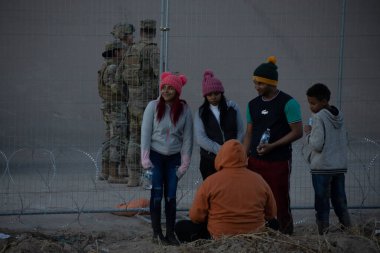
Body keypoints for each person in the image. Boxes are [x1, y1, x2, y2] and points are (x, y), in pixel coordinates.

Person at [243, 56, 303, 235]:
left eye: (260, 83)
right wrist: (244, 156)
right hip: (255, 161)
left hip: (278, 160)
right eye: (255, 82)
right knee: (256, 198)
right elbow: (249, 133)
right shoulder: (252, 104)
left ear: (271, 83)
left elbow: (297, 132)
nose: (256, 86)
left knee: (279, 198)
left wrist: (273, 146)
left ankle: (285, 232)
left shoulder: (288, 102)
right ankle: (260, 231)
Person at [175, 139, 278, 242]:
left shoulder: (210, 182)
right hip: (255, 237)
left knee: (180, 226)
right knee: (274, 223)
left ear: (221, 156)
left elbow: (196, 216)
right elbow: (271, 213)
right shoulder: (259, 180)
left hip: (220, 237)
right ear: (244, 157)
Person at [140, 72, 193, 245]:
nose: (166, 90)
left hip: (174, 159)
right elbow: (145, 134)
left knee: (170, 196)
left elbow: (187, 138)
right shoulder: (153, 106)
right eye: (164, 87)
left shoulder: (185, 110)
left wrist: (184, 164)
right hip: (155, 156)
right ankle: (157, 233)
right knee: (156, 195)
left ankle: (170, 233)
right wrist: (145, 160)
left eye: (170, 88)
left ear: (177, 91)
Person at [303, 83, 351, 235]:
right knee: (340, 199)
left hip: (322, 167)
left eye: (313, 103)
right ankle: (348, 228)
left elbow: (317, 144)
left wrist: (309, 134)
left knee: (322, 201)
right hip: (338, 166)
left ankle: (323, 233)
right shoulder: (339, 115)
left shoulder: (318, 117)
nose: (311, 106)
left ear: (323, 101)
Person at [123, 19, 160, 186]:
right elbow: (161, 75)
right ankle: (149, 178)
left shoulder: (132, 49)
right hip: (148, 104)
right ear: (154, 31)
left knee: (134, 139)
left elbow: (120, 76)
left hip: (133, 102)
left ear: (141, 31)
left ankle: (132, 177)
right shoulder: (152, 50)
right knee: (151, 141)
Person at [194, 69, 244, 180]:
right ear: (205, 96)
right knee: (212, 191)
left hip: (233, 158)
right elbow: (200, 138)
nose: (213, 97)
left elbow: (240, 130)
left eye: (216, 93)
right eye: (209, 94)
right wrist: (221, 149)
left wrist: (233, 147)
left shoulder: (232, 107)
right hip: (209, 159)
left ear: (221, 93)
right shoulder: (201, 112)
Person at [97, 40, 128, 183]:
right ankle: (114, 174)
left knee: (109, 139)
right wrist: (128, 95)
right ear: (116, 52)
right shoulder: (113, 67)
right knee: (117, 139)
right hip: (116, 107)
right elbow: (115, 88)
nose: (124, 53)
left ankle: (105, 171)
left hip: (108, 106)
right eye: (122, 50)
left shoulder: (105, 66)